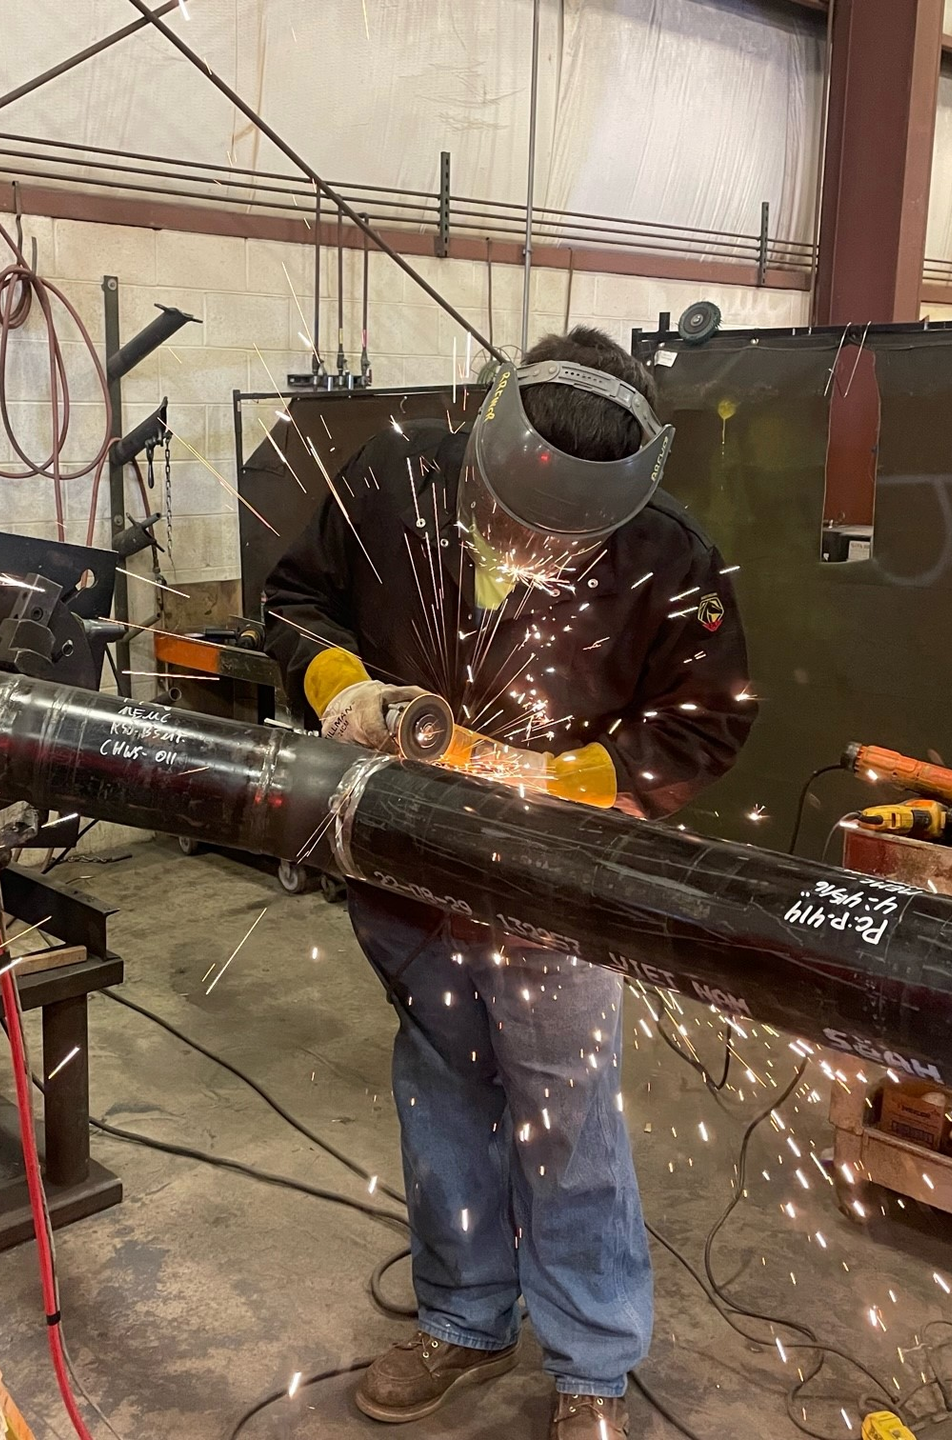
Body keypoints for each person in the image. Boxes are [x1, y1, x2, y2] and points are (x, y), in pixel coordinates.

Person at [263, 326, 756, 1439]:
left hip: (553, 889)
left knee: (565, 1119)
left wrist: (580, 774)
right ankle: (465, 1318)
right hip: (399, 861)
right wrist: (341, 685)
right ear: (487, 443)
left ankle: (589, 1363)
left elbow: (707, 722)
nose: (528, 546)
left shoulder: (668, 558)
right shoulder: (391, 481)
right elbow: (294, 601)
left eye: (558, 537)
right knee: (442, 1093)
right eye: (510, 518)